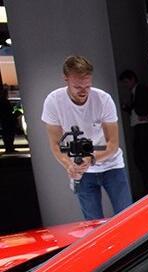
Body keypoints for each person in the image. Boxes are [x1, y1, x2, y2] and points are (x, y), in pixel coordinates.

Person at [42, 55, 132, 220]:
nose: (83, 91)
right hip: (81, 170)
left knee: (126, 217)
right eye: (77, 86)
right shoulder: (53, 101)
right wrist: (69, 165)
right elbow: (55, 144)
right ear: (66, 79)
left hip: (111, 165)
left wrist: (91, 158)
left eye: (88, 86)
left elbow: (112, 144)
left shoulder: (103, 99)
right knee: (92, 223)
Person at [119, 69, 148, 195]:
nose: (125, 85)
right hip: (141, 126)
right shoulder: (135, 92)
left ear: (132, 79)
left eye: (126, 82)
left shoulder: (141, 90)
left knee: (143, 157)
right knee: (143, 157)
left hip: (144, 126)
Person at [0, 85, 17, 154]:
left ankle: (8, 148)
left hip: (4, 122)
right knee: (10, 135)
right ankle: (10, 148)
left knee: (6, 136)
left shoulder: (2, 102)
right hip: (8, 121)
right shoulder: (5, 102)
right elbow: (10, 111)